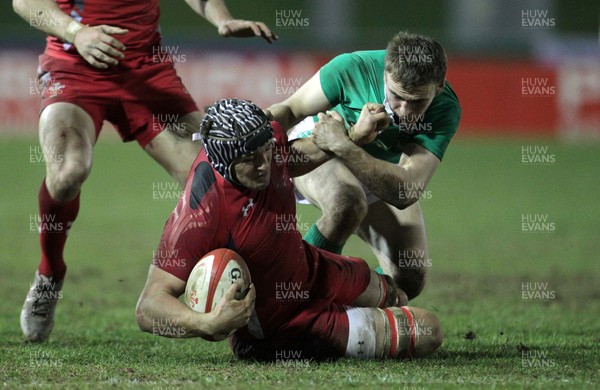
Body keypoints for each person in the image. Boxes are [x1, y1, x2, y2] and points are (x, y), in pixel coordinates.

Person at [15, 0, 278, 342]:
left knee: (217, 175)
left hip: (145, 73)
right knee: (68, 171)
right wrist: (76, 33)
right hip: (73, 68)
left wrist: (222, 19)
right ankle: (49, 274)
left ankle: (254, 297)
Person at [135, 98, 443, 361]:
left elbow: (289, 159)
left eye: (265, 151)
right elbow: (148, 306)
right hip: (286, 328)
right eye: (249, 160)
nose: (263, 164)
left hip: (314, 269)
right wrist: (206, 323)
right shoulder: (200, 214)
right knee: (429, 330)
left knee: (398, 294)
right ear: (224, 164)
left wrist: (348, 138)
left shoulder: (265, 141)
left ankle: (354, 310)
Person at [267, 31, 461, 300]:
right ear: (385, 75)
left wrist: (347, 142)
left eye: (417, 102)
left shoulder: (445, 108)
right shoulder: (352, 68)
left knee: (410, 277)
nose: (404, 111)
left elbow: (405, 190)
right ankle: (288, 299)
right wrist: (258, 128)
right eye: (397, 97)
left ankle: (339, 307)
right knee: (347, 204)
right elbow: (291, 110)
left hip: (371, 166)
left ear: (438, 88)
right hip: (321, 151)